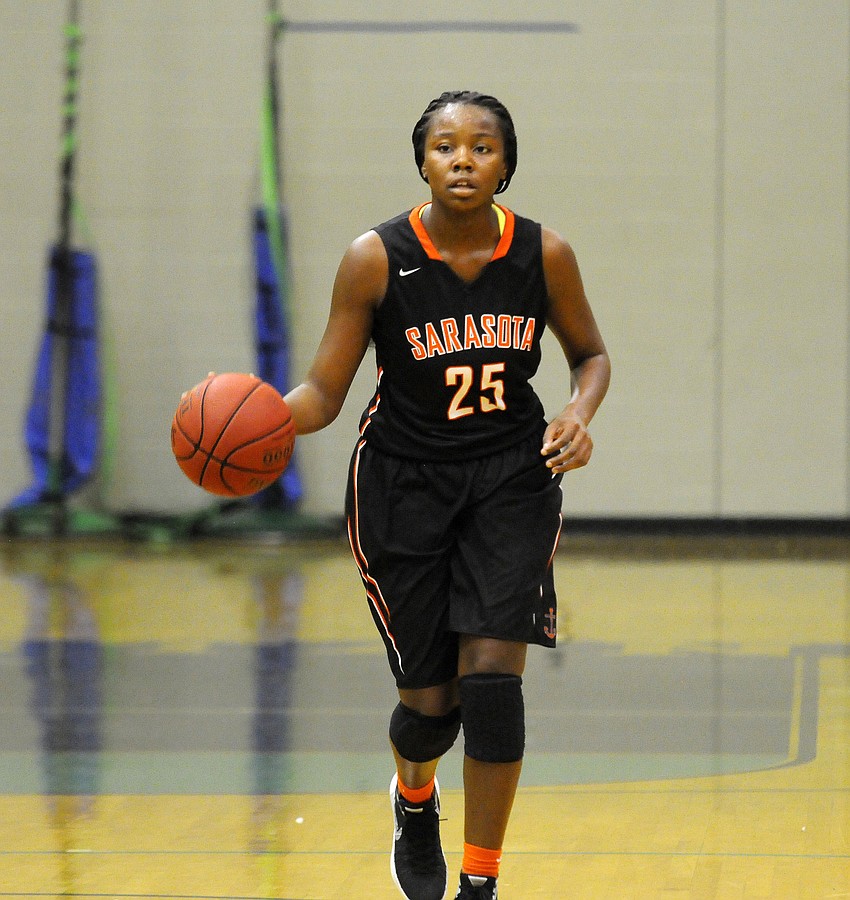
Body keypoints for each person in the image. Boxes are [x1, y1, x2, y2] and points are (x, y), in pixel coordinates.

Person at [284, 90, 610, 900]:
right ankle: (414, 796)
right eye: (445, 146)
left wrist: (577, 412)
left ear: (506, 165)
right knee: (431, 710)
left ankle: (480, 883)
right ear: (422, 162)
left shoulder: (543, 253)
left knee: (493, 686)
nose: (463, 159)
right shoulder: (375, 258)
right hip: (404, 484)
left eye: (482, 146)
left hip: (511, 476)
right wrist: (258, 420)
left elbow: (591, 355)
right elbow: (323, 393)